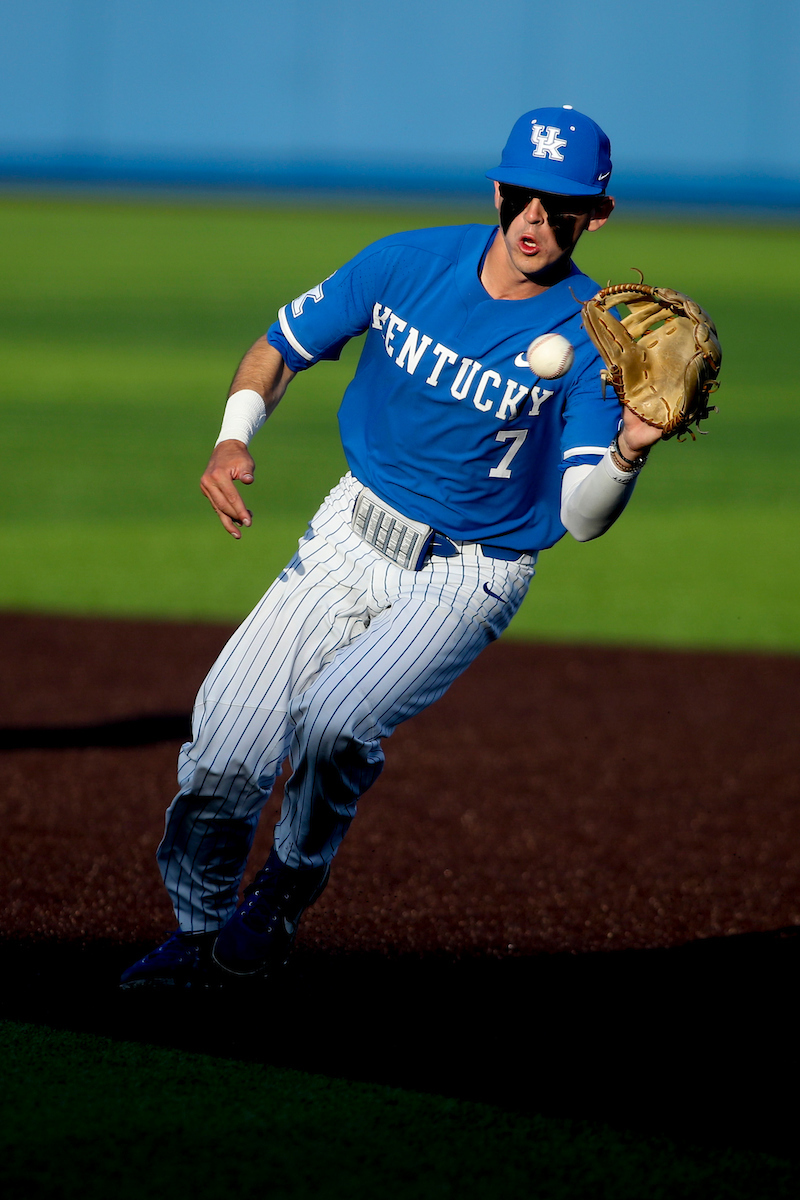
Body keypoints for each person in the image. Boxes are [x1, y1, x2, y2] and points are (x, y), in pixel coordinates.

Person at [120, 105, 662, 990]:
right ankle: (195, 933)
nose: (535, 218)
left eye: (559, 204)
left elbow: (582, 515)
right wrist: (233, 433)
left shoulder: (595, 337)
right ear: (498, 189)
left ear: (594, 216)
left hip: (470, 574)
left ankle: (289, 880)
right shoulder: (403, 262)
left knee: (335, 720)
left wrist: (629, 452)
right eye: (522, 194)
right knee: (224, 742)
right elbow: (282, 345)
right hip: (347, 533)